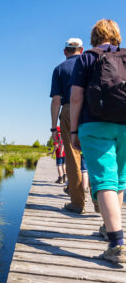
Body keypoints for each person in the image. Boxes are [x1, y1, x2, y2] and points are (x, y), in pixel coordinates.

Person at [70, 19, 126, 263]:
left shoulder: (87, 58)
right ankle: (108, 227)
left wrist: (73, 131)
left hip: (94, 124)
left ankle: (117, 244)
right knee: (120, 178)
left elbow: (75, 97)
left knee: (104, 180)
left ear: (94, 36)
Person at [50, 38, 85, 213]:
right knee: (95, 156)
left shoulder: (59, 69)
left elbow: (56, 100)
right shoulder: (91, 63)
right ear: (82, 49)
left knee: (72, 157)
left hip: (69, 110)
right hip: (90, 109)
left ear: (65, 51)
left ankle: (77, 204)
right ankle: (100, 204)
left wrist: (52, 127)